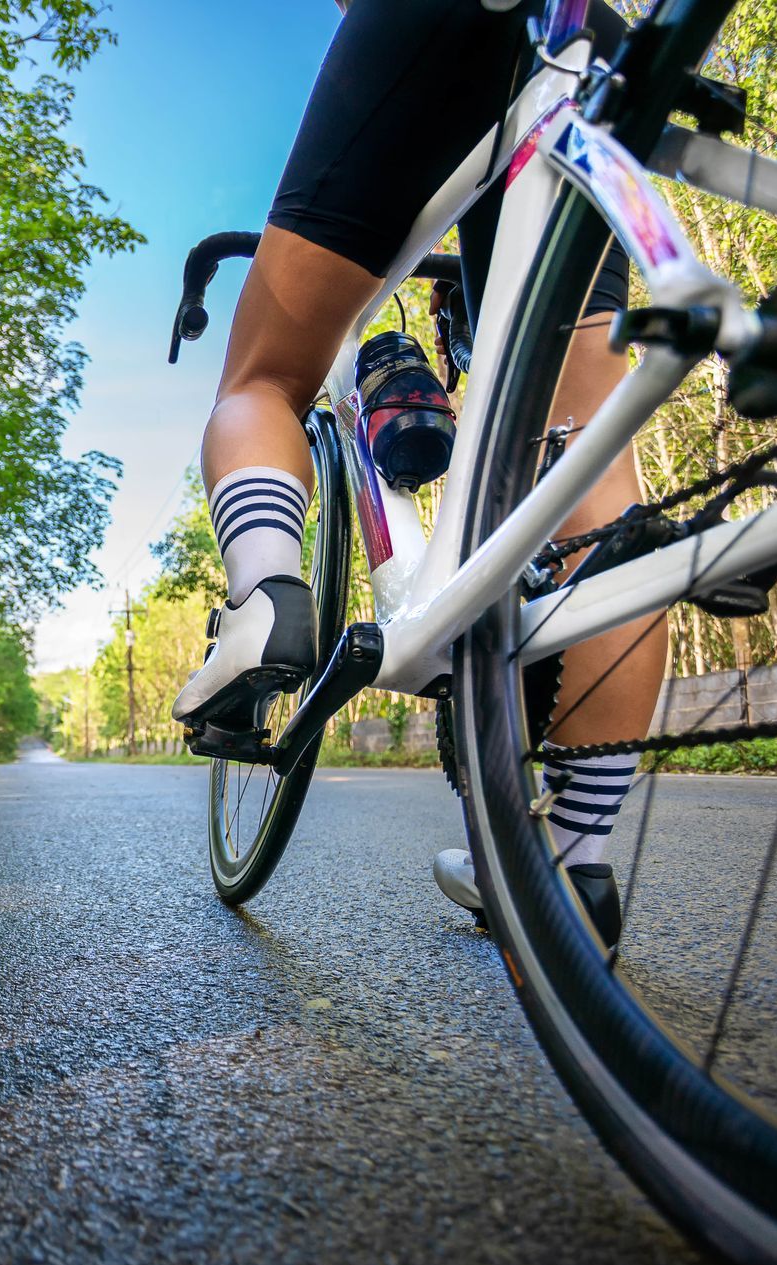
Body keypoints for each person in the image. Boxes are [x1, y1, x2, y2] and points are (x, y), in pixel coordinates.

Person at [169, 0, 660, 945]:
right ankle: (576, 860)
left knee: (267, 376)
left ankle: (267, 595)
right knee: (588, 449)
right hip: (590, 31)